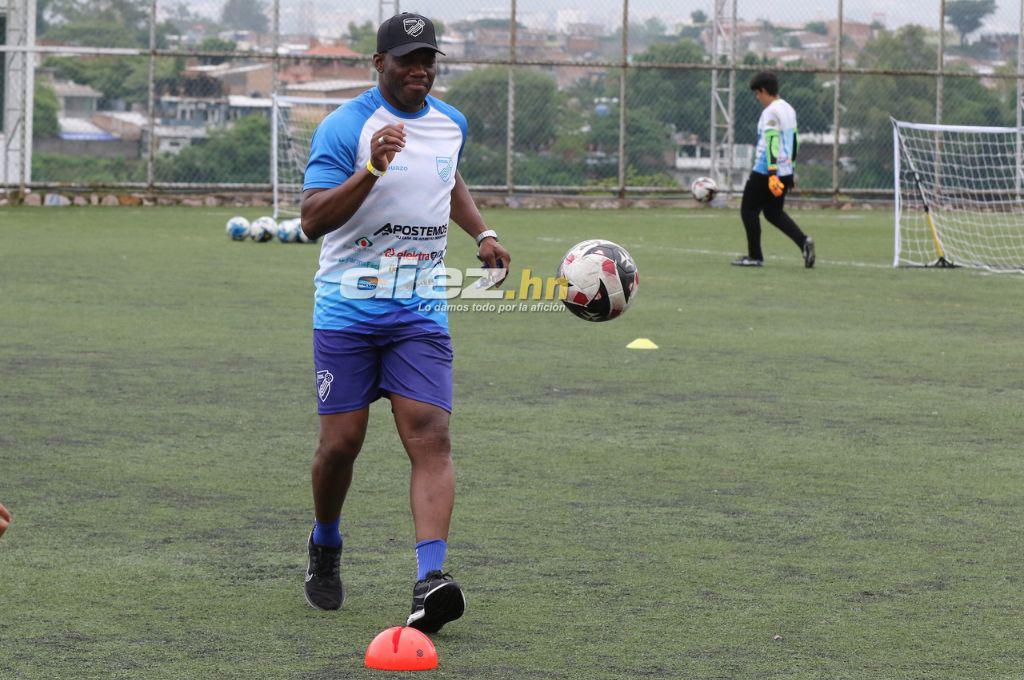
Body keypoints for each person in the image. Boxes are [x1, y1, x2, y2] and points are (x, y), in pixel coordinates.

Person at [298, 12, 511, 634]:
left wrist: (483, 232)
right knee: (341, 446)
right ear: (378, 63)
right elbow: (311, 220)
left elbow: (447, 180)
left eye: (429, 60)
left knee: (431, 437)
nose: (420, 71)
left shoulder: (451, 124)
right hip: (347, 309)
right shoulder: (346, 127)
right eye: (406, 60)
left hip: (419, 308)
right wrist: (371, 169)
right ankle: (326, 542)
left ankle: (431, 580)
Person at [732, 71, 815, 268]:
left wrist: (770, 174)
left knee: (748, 210)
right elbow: (794, 140)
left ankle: (755, 257)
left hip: (766, 170)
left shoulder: (770, 112)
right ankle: (804, 242)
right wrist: (791, 170)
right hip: (785, 171)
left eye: (757, 93)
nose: (757, 97)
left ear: (763, 90)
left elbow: (771, 141)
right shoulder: (788, 109)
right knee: (773, 212)